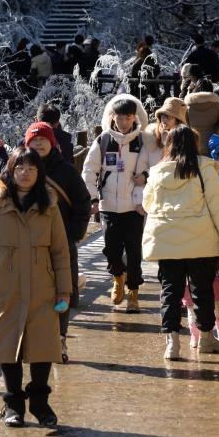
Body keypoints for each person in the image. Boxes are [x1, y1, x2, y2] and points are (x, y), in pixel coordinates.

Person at [0, 147, 71, 428]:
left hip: (42, 288)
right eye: (20, 168)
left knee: (42, 347)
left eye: (32, 169)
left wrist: (64, 290)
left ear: (40, 173)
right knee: (7, 346)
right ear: (11, 171)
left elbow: (61, 252)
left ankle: (40, 403)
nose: (26, 174)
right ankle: (13, 405)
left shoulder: (49, 207)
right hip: (6, 289)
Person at [142, 125, 219, 359]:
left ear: (169, 145)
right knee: (202, 291)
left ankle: (172, 344)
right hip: (200, 241)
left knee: (170, 292)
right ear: (195, 144)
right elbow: (217, 209)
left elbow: (147, 205)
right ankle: (206, 339)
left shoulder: (156, 172)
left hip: (166, 241)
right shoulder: (205, 169)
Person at [23, 121, 91, 363]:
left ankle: (59, 339)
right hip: (26, 246)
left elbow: (83, 202)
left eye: (43, 139)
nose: (39, 143)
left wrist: (72, 233)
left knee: (61, 295)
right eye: (34, 139)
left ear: (52, 142)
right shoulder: (20, 167)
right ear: (26, 143)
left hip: (59, 246)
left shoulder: (65, 170)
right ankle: (32, 341)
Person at [82, 93, 147, 312]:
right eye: (119, 117)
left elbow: (156, 165)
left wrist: (145, 177)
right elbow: (89, 170)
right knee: (111, 249)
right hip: (108, 204)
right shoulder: (102, 140)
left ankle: (133, 293)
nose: (123, 122)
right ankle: (118, 277)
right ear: (112, 117)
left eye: (128, 117)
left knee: (134, 250)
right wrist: (92, 197)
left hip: (134, 206)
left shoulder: (142, 140)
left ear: (134, 118)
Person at [135, 97, 188, 178]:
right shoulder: (150, 138)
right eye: (163, 116)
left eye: (170, 117)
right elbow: (140, 170)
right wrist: (145, 176)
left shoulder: (185, 141)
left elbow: (181, 170)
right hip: (152, 187)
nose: (164, 120)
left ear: (178, 121)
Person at [185, 82, 219, 157]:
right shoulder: (216, 105)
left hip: (193, 142)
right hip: (212, 142)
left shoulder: (188, 107)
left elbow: (185, 123)